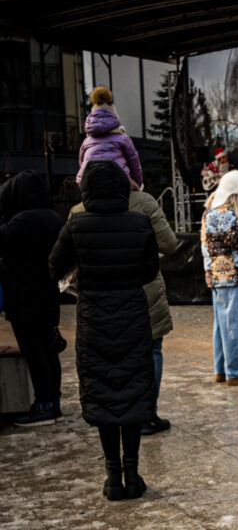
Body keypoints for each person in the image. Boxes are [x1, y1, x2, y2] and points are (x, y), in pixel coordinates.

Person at [48, 160, 159, 499]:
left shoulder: (76, 224)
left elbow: (54, 266)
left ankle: (113, 478)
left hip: (94, 319)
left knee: (105, 394)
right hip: (133, 318)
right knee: (132, 391)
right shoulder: (140, 223)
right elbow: (149, 271)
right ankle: (134, 474)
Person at [71, 184, 179, 434]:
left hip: (96, 298)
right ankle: (146, 414)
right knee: (151, 349)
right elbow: (170, 244)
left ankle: (112, 415)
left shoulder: (78, 211)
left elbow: (63, 261)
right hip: (142, 291)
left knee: (106, 354)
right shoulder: (144, 202)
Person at [0, 171, 63, 425]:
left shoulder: (20, 222)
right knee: (48, 350)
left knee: (34, 352)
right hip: (48, 295)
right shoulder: (53, 217)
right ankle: (53, 402)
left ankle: (44, 404)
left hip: (24, 298)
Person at [201, 170, 238, 386]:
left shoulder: (210, 211)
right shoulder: (226, 212)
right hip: (230, 275)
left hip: (216, 275)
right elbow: (234, 239)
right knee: (234, 324)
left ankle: (221, 369)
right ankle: (235, 371)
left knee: (221, 325)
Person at [76, 87, 144, 191]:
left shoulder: (86, 142)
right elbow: (134, 165)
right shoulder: (123, 139)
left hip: (91, 185)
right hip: (118, 184)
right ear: (114, 117)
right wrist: (138, 185)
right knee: (145, 203)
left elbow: (82, 164)